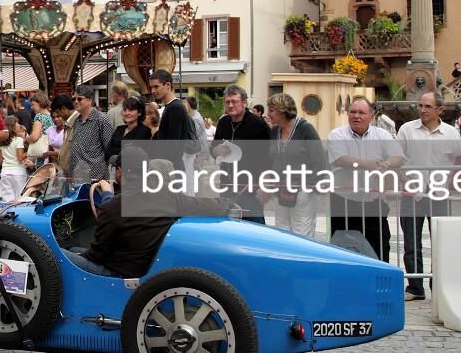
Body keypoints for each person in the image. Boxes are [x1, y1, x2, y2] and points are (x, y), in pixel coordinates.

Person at [64, 148, 233, 277]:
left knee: (58, 254)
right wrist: (229, 203)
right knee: (72, 248)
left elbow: (96, 256)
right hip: (149, 268)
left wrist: (107, 195)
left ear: (120, 170)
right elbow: (203, 204)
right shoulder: (168, 194)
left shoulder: (112, 207)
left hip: (118, 273)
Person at [397, 91, 461, 300]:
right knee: (411, 242)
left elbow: (458, 160)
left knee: (440, 242)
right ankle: (415, 287)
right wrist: (407, 182)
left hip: (439, 194)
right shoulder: (407, 130)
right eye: (420, 105)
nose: (423, 110)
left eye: (428, 106)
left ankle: (438, 286)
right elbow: (395, 159)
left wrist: (448, 183)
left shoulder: (451, 133)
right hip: (412, 193)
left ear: (440, 110)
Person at [328, 97, 405, 260]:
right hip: (344, 203)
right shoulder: (337, 134)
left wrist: (387, 163)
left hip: (373, 202)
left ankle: (380, 275)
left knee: (380, 247)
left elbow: (399, 157)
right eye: (353, 112)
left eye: (361, 113)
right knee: (343, 250)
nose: (356, 116)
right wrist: (368, 164)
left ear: (371, 115)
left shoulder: (381, 134)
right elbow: (340, 159)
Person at [265, 92, 324, 238]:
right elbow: (272, 159)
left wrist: (309, 185)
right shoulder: (275, 131)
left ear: (283, 111)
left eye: (271, 110)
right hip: (280, 190)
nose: (268, 114)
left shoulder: (306, 130)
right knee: (282, 232)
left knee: (302, 233)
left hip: (303, 191)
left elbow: (319, 161)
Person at [210, 85, 271, 224]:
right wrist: (216, 150)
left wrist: (265, 185)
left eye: (234, 101)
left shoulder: (258, 124)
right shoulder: (223, 122)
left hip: (249, 187)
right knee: (228, 226)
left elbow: (268, 156)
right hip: (227, 184)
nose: (230, 105)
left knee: (255, 227)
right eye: (227, 102)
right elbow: (213, 147)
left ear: (244, 103)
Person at [149, 69, 192, 182]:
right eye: (151, 87)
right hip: (169, 167)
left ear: (168, 85)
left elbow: (173, 145)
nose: (153, 91)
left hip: (171, 169)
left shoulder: (175, 108)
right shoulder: (171, 107)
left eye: (156, 87)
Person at [65, 86, 113, 185]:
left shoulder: (101, 120)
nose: (76, 102)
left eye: (79, 99)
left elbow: (109, 149)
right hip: (76, 176)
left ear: (90, 100)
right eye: (73, 99)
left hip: (95, 177)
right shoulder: (76, 120)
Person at [104, 95, 152, 166]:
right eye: (125, 110)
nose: (127, 113)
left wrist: (115, 154)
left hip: (134, 170)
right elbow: (107, 152)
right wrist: (122, 152)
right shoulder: (119, 129)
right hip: (116, 170)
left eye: (131, 110)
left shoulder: (144, 131)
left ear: (139, 112)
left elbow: (133, 155)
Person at [0, 115, 29, 202]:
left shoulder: (1, 141)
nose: (19, 125)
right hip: (17, 172)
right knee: (19, 199)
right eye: (17, 123)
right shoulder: (18, 140)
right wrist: (29, 152)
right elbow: (20, 157)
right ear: (13, 126)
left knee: (7, 199)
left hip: (5, 171)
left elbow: (1, 158)